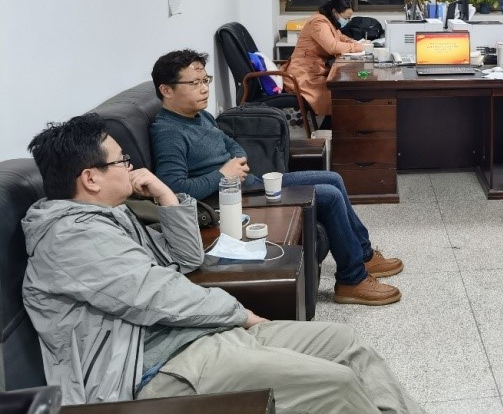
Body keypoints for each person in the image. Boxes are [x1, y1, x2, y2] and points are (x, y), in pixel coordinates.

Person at [22, 114, 426, 411]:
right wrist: (241, 314)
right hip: (159, 368)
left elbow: (187, 259)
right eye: (121, 161)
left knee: (347, 344)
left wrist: (166, 196)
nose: (131, 167)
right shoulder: (70, 239)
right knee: (336, 383)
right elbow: (160, 295)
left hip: (200, 335)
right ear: (91, 178)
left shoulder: (112, 216)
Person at [150, 49, 403, 306]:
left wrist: (237, 161)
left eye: (206, 80)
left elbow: (231, 143)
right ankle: (351, 280)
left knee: (332, 178)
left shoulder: (200, 116)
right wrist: (223, 174)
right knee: (329, 195)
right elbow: (174, 189)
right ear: (166, 90)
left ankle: (364, 254)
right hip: (228, 203)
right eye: (194, 83)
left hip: (249, 184)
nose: (204, 89)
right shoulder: (167, 132)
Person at [283, 0, 371, 122]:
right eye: (346, 18)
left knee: (343, 91)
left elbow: (340, 37)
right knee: (337, 95)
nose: (347, 21)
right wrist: (359, 47)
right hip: (304, 74)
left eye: (349, 18)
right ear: (335, 11)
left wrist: (357, 43)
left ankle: (334, 126)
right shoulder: (318, 22)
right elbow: (332, 47)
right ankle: (331, 128)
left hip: (316, 70)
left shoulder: (329, 21)